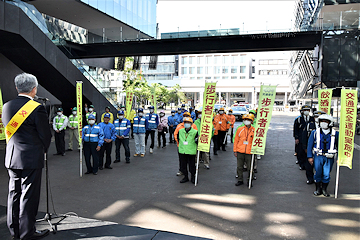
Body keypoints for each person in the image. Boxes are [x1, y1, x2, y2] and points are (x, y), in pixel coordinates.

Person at [3, 73, 52, 240]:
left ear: (17, 88)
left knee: (14, 194)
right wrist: (43, 150)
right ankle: (27, 232)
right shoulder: (37, 108)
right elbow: (45, 135)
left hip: (11, 157)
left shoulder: (6, 106)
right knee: (28, 196)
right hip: (31, 159)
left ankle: (14, 230)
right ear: (34, 89)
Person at [307, 114, 339, 197]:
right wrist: (310, 157)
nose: (323, 123)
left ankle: (324, 189)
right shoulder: (314, 133)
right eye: (322, 121)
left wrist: (339, 158)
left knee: (326, 174)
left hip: (329, 157)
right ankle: (318, 189)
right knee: (318, 173)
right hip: (318, 156)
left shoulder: (335, 134)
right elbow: (310, 145)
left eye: (326, 121)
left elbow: (339, 146)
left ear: (330, 123)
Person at [294, 105, 315, 183]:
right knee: (300, 152)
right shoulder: (299, 119)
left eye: (308, 110)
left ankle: (307, 166)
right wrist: (296, 138)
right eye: (304, 110)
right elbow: (295, 129)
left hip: (310, 139)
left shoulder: (312, 119)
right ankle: (301, 164)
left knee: (308, 154)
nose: (306, 111)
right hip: (301, 138)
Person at [233, 114, 255, 187]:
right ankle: (240, 180)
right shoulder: (240, 129)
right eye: (245, 119)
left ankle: (250, 180)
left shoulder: (254, 130)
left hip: (250, 152)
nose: (246, 121)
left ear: (252, 121)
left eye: (248, 120)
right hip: (240, 151)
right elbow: (236, 140)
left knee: (250, 167)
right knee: (239, 167)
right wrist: (235, 150)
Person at [177, 117, 199, 184]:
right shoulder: (180, 131)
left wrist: (197, 140)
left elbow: (197, 141)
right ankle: (185, 177)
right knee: (183, 165)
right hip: (182, 150)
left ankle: (193, 177)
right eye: (185, 123)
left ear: (191, 124)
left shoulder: (195, 132)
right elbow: (178, 138)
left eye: (188, 123)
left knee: (191, 166)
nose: (187, 124)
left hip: (191, 151)